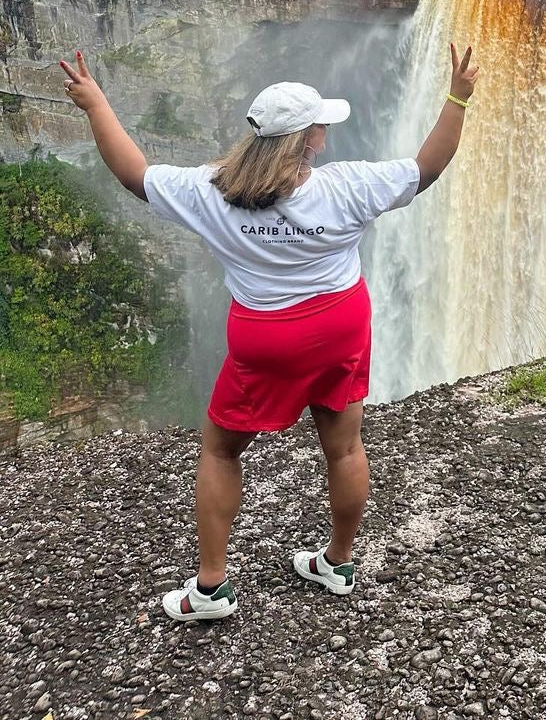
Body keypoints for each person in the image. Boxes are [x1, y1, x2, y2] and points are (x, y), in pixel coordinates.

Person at [56, 43, 479, 623]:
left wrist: (96, 104)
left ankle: (211, 589)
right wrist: (458, 96)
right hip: (341, 325)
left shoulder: (212, 191)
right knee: (346, 446)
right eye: (320, 128)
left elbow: (134, 173)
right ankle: (338, 561)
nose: (326, 135)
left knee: (220, 450)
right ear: (308, 140)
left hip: (266, 337)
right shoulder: (347, 187)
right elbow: (427, 167)